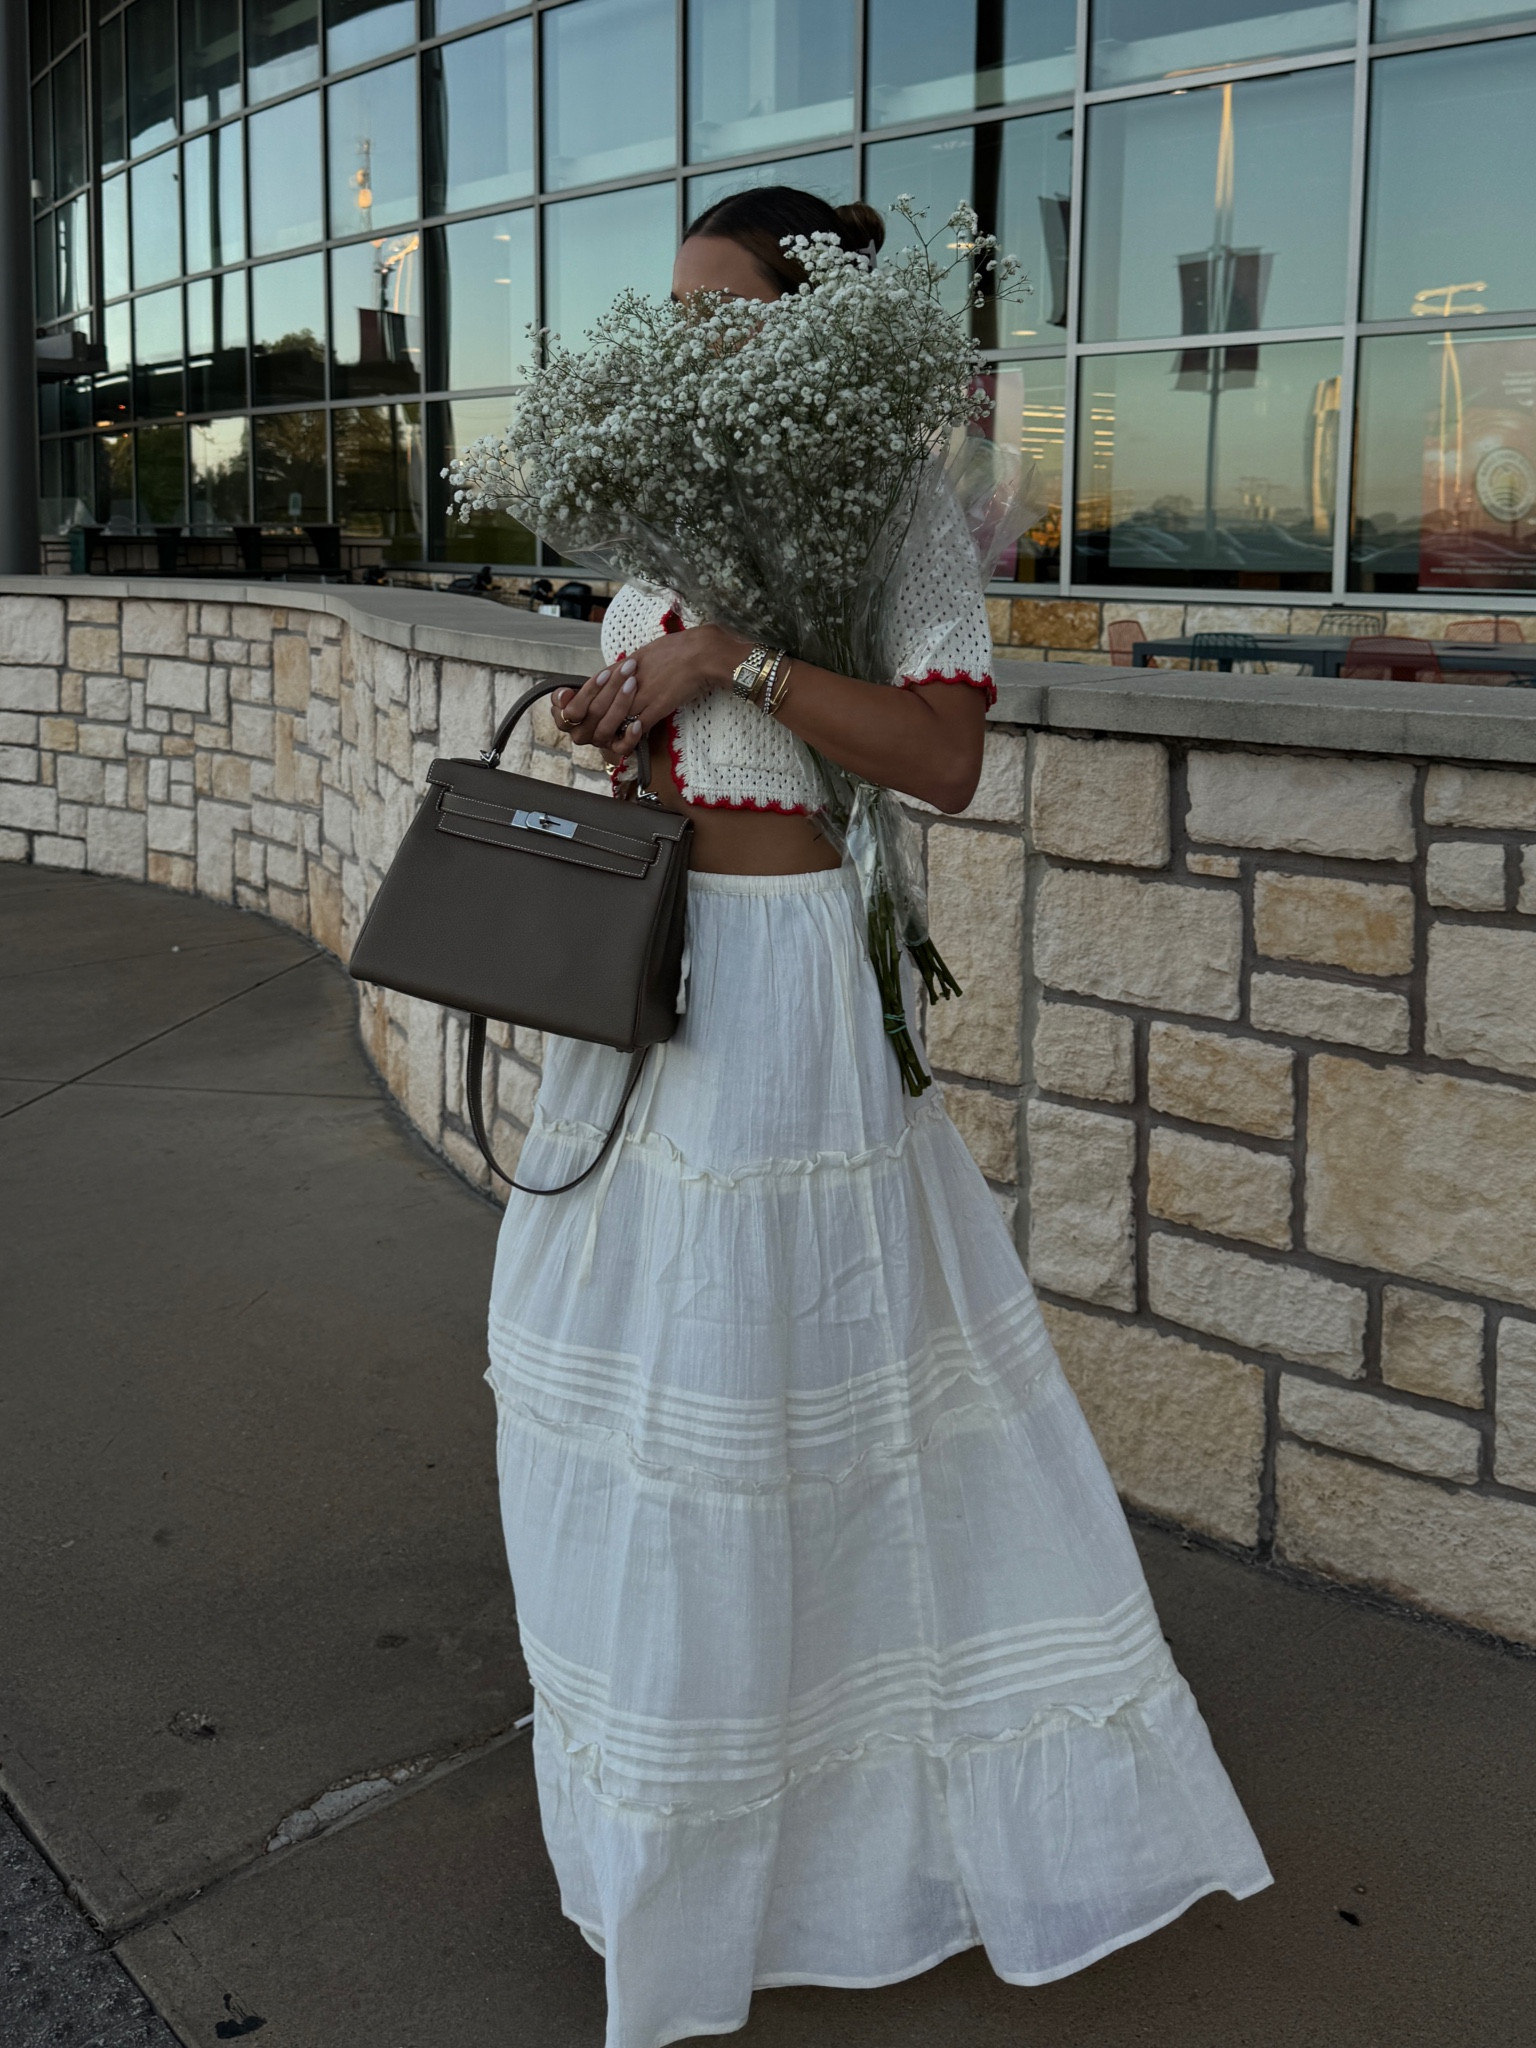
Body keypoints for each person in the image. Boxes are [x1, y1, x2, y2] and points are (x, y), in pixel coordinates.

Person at [483, 186, 1270, 2048]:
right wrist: (629, 704)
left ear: (810, 323)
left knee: (789, 1403)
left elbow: (943, 760)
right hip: (657, 996)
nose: (683, 347)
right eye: (668, 317)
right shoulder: (675, 509)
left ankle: (859, 1831)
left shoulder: (894, 508)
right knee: (657, 1404)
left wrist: (731, 657)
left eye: (719, 314)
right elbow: (689, 728)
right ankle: (684, 1823)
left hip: (787, 1005)